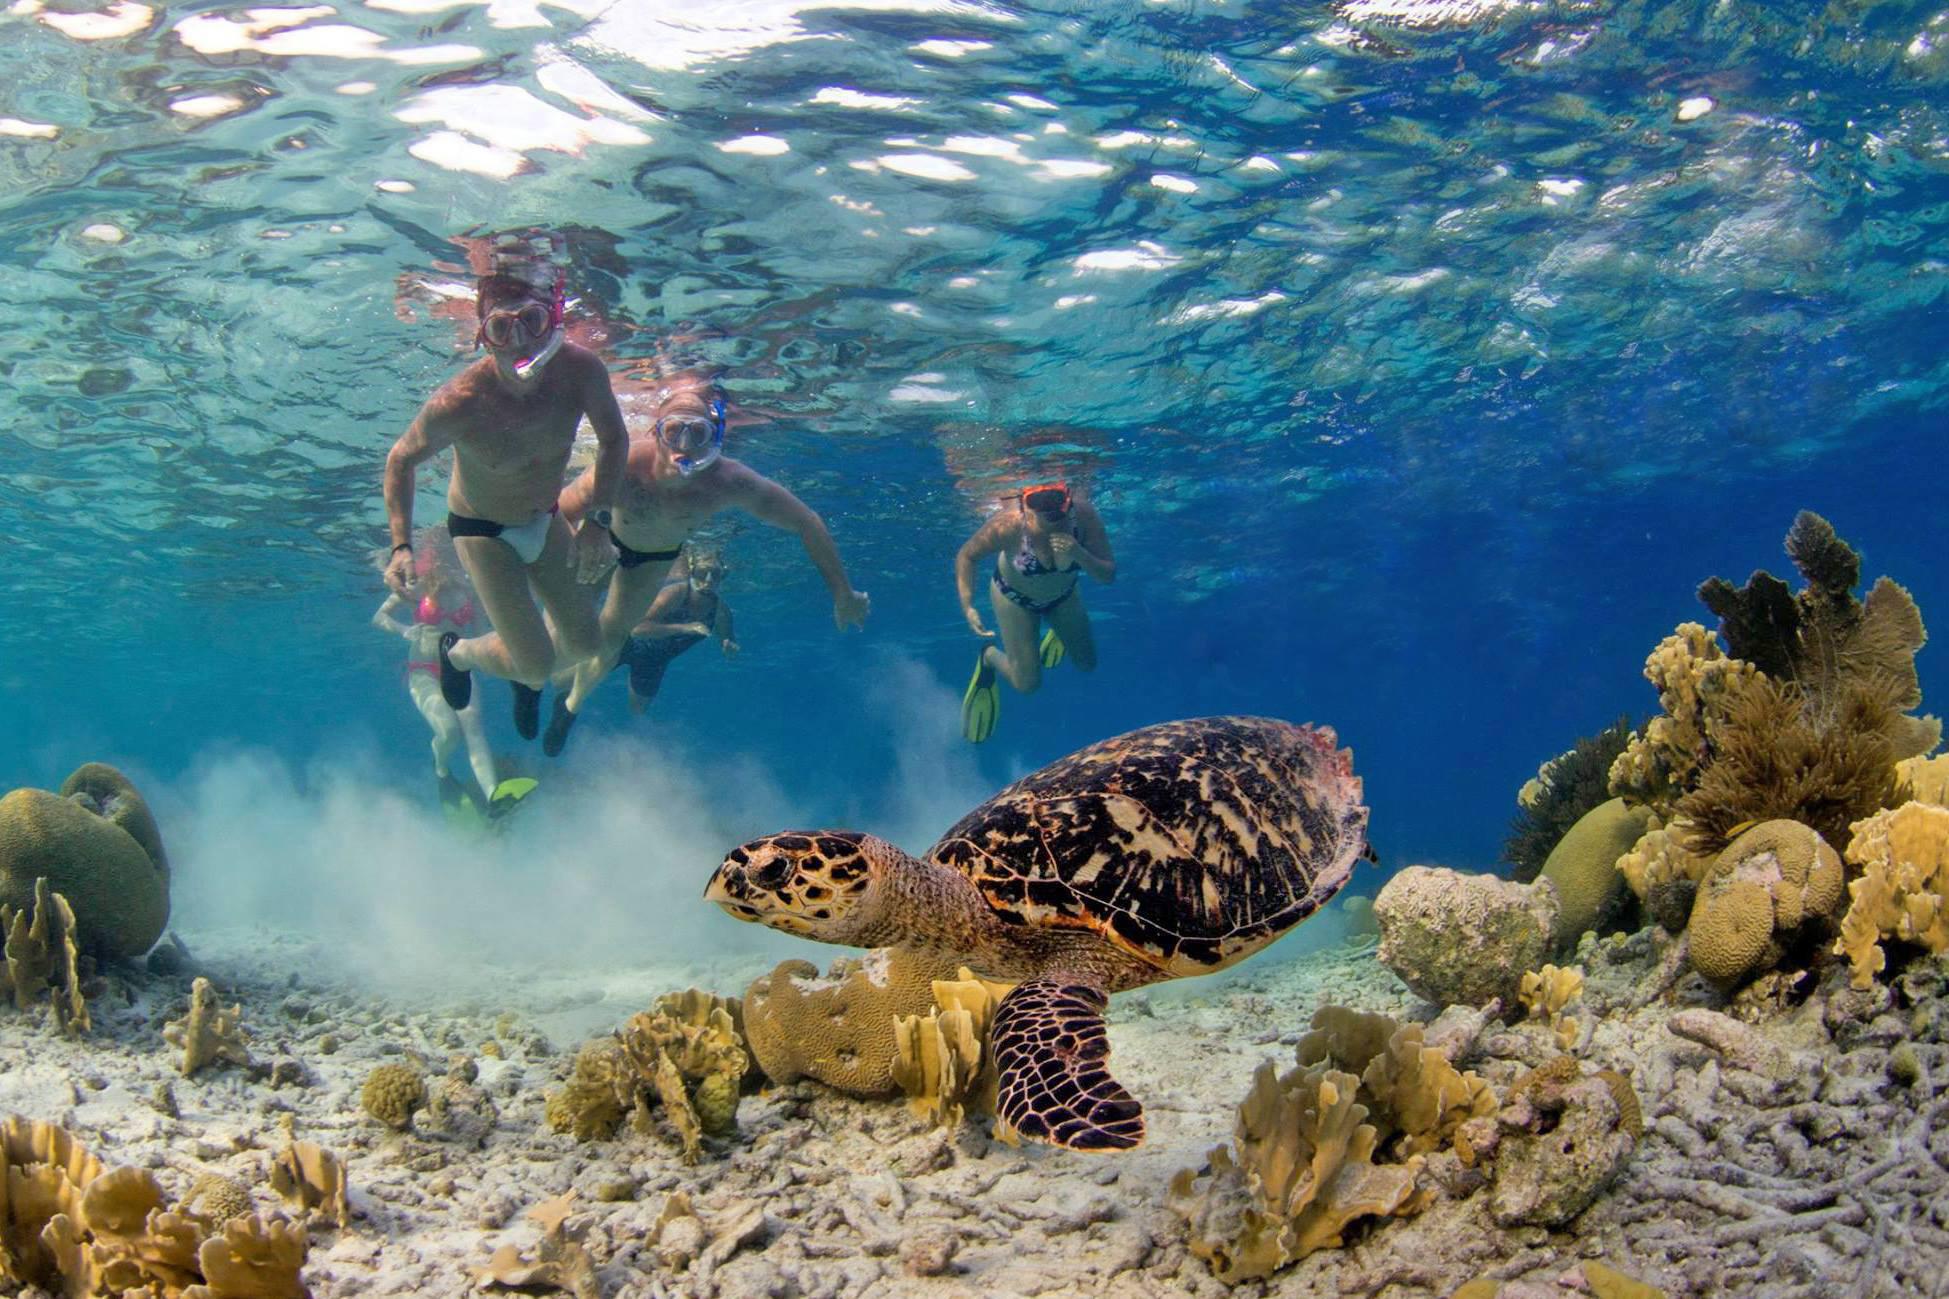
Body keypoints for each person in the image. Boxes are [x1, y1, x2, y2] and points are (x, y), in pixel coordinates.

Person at [379, 231, 627, 742]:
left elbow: (614, 440)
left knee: (586, 645)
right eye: (501, 328)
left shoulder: (581, 371)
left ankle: (512, 662)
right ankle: (459, 652)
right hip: (481, 529)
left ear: (553, 319)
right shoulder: (460, 401)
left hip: (544, 516)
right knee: (536, 666)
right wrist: (401, 546)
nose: (521, 343)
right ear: (482, 336)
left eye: (532, 323)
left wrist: (598, 521)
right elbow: (400, 460)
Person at [552, 374, 870, 716]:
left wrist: (843, 592)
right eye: (674, 431)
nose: (684, 445)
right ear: (655, 432)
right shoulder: (625, 463)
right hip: (603, 537)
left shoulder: (728, 480)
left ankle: (569, 706)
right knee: (558, 641)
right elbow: (559, 509)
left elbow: (806, 521)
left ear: (714, 437)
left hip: (654, 558)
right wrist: (582, 534)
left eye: (698, 433)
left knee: (612, 638)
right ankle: (525, 679)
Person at [371, 535, 533, 817]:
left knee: (473, 731)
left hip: (460, 666)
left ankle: (493, 795)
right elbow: (379, 616)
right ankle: (441, 769)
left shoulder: (470, 589)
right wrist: (403, 630)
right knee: (449, 732)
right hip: (422, 671)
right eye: (442, 559)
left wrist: (502, 658)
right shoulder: (416, 585)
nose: (448, 565)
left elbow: (482, 632)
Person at [954, 480, 1116, 743]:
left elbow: (1108, 575)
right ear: (1024, 506)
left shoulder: (1084, 517)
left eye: (1057, 508)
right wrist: (967, 604)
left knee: (1087, 663)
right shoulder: (1009, 525)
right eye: (1041, 508)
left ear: (1069, 502)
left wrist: (1080, 554)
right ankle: (989, 656)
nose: (1051, 515)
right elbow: (967, 555)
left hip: (1064, 596)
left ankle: (1057, 628)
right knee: (1027, 684)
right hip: (1015, 599)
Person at [540, 545, 736, 755]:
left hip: (655, 660)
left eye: (715, 574)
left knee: (638, 709)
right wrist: (684, 627)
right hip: (625, 645)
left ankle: (607, 734)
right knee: (559, 681)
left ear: (722, 576)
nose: (708, 580)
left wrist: (727, 643)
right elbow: (637, 629)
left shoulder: (720, 610)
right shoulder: (677, 594)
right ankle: (565, 708)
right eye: (701, 573)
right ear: (691, 571)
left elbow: (726, 634)